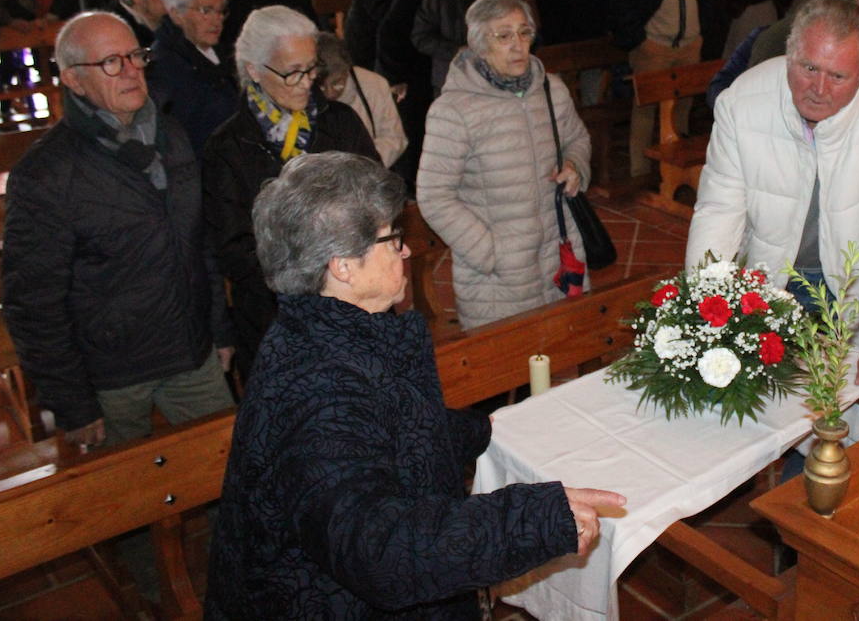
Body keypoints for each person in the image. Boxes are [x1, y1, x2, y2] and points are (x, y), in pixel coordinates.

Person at [205, 150, 623, 619]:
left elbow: (392, 425)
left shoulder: (332, 331)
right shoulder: (317, 388)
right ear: (342, 266)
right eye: (392, 238)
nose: (406, 251)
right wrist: (534, 519)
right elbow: (379, 551)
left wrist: (487, 430)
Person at [687, 0, 859, 408]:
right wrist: (706, 300)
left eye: (837, 76)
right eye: (808, 69)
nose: (819, 89)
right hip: (766, 283)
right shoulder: (742, 102)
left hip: (853, 294)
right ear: (789, 55)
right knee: (756, 407)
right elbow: (718, 212)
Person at [2, 12, 233, 448]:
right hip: (111, 377)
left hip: (190, 352)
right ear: (73, 80)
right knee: (124, 488)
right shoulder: (46, 174)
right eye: (111, 62)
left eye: (135, 56)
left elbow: (198, 243)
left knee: (227, 466)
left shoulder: (172, 136)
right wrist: (73, 404)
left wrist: (219, 330)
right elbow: (33, 302)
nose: (130, 71)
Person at [203, 6, 378, 377]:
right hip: (277, 323)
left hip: (355, 305)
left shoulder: (340, 124)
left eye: (311, 68)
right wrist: (313, 275)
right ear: (254, 70)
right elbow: (233, 249)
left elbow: (378, 203)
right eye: (292, 71)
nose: (306, 82)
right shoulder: (229, 148)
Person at [418, 0, 592, 329]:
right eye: (504, 36)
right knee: (510, 357)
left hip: (559, 251)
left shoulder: (551, 90)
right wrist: (491, 253)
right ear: (480, 44)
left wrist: (575, 165)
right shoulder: (453, 111)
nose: (518, 45)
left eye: (524, 33)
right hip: (498, 278)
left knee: (566, 344)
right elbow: (433, 196)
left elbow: (577, 138)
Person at [610, 0, 714, 177]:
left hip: (689, 44)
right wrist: (640, 39)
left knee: (682, 109)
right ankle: (640, 173)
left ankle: (675, 171)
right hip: (653, 45)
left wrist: (702, 34)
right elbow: (620, 0)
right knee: (645, 110)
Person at [379, 0, 452, 187]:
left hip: (415, 73)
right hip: (408, 76)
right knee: (414, 132)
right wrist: (396, 78)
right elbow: (388, 35)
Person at [149, 0, 239, 153]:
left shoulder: (219, 49)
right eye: (206, 10)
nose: (217, 20)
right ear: (176, 14)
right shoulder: (164, 66)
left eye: (220, 11)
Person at [316, 33, 406, 168]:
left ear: (347, 70)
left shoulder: (374, 84)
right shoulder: (302, 90)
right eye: (321, 86)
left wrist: (361, 165)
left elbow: (394, 138)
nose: (330, 93)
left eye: (337, 83)